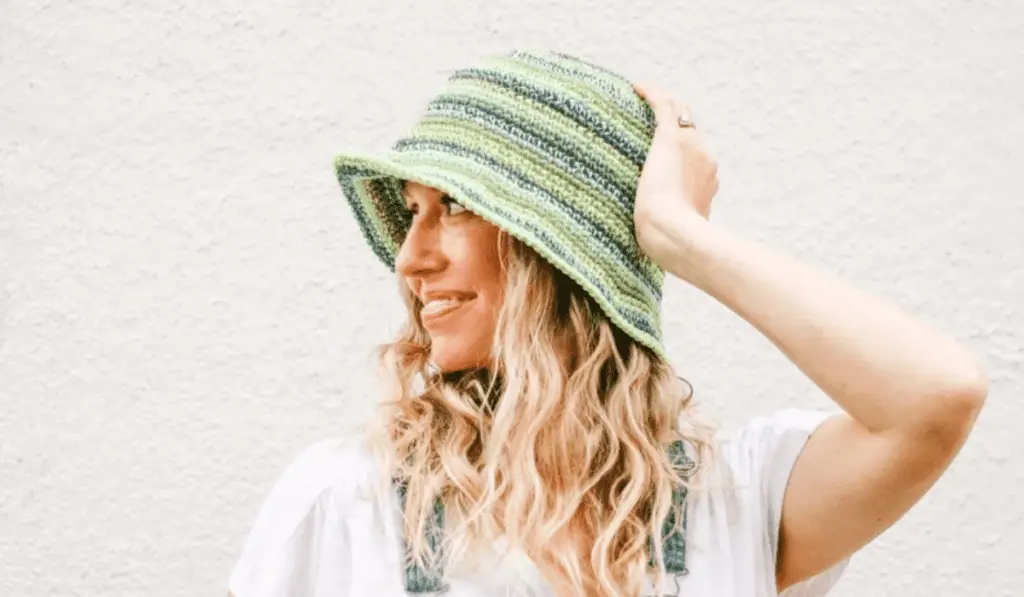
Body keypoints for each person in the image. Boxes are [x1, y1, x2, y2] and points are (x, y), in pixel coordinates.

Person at [227, 50, 987, 597]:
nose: (410, 258)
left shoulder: (736, 499)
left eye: (453, 207)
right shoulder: (341, 504)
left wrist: (676, 234)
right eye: (414, 213)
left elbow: (939, 395)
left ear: (563, 246)